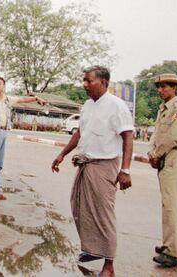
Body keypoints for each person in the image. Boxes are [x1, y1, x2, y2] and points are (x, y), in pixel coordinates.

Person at [51, 65, 133, 277]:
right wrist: (63, 153)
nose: (85, 85)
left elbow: (128, 137)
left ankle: (109, 266)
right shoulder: (87, 105)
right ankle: (91, 250)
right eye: (84, 81)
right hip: (85, 164)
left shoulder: (117, 106)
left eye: (89, 81)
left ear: (104, 82)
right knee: (80, 208)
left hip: (104, 166)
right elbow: (80, 132)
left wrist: (125, 169)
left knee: (103, 215)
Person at [147, 73, 177, 267]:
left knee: (172, 206)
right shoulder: (163, 109)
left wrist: (156, 154)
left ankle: (173, 253)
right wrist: (152, 151)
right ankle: (168, 245)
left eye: (165, 86)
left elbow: (173, 136)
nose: (160, 90)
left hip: (174, 157)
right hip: (164, 156)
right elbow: (157, 134)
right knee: (167, 205)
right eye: (158, 86)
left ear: (174, 88)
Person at [0, 77, 46, 204]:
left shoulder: (7, 100)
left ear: (4, 86)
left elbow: (22, 99)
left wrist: (36, 98)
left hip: (3, 132)